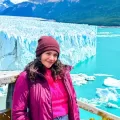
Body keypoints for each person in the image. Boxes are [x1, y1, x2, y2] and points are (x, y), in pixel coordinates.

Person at [12, 36, 80, 120]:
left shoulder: (64, 74)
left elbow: (73, 101)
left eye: (55, 55)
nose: (52, 58)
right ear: (40, 54)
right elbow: (18, 112)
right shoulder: (27, 77)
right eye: (48, 53)